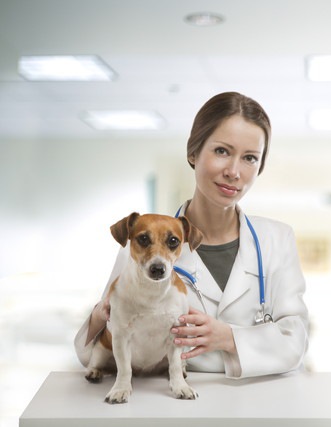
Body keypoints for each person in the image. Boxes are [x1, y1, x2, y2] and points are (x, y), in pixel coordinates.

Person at [75, 92, 309, 379]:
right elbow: (97, 349)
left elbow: (295, 340)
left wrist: (228, 338)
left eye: (249, 158)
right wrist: (102, 314)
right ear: (193, 152)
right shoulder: (139, 248)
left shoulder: (277, 240)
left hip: (258, 403)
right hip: (174, 406)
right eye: (222, 151)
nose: (234, 171)